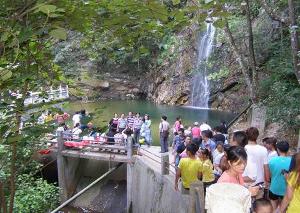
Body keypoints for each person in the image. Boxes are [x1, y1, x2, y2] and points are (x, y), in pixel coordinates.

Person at [268, 141, 291, 211]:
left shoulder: (272, 160)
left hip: (274, 188)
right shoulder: (292, 161)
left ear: (278, 149)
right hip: (286, 190)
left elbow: (270, 174)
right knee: (283, 209)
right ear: (288, 149)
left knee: (273, 208)